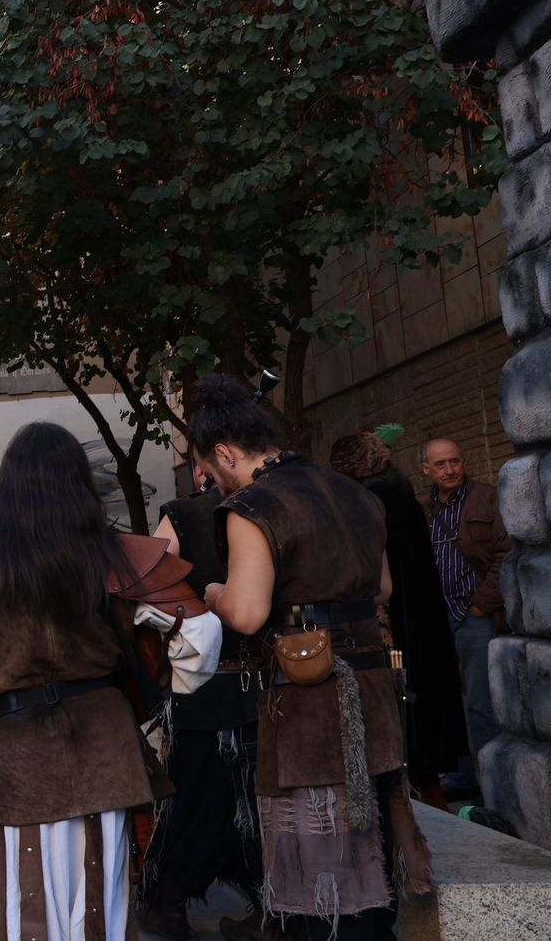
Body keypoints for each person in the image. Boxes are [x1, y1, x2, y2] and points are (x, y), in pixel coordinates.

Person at [0, 422, 220, 941]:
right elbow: (201, 637)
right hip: (104, 748)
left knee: (22, 911)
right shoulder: (119, 557)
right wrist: (161, 677)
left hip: (17, 750)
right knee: (100, 907)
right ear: (80, 483)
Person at [194, 376, 428, 940]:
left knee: (319, 852)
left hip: (307, 694)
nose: (210, 480)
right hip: (372, 685)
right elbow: (381, 589)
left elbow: (248, 613)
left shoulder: (252, 505)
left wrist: (213, 595)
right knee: (370, 831)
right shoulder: (355, 492)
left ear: (226, 452)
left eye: (209, 467)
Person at [137, 477, 264, 941]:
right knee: (252, 797)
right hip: (264, 678)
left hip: (206, 679)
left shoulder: (185, 514)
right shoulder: (274, 504)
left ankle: (168, 904)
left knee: (199, 797)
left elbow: (147, 584)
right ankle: (267, 909)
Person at [331, 431, 470, 808]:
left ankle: (412, 799)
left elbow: (377, 577)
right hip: (421, 618)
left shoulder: (369, 500)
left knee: (400, 715)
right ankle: (429, 791)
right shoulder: (401, 492)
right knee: (420, 710)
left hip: (388, 623)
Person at [421, 437, 512, 792]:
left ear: (464, 461)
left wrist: (480, 606)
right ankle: (460, 776)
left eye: (454, 461)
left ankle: (491, 782)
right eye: (440, 464)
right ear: (426, 469)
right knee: (447, 703)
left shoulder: (485, 498)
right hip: (439, 619)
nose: (449, 470)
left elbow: (506, 554)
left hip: (474, 616)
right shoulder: (424, 509)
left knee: (480, 704)